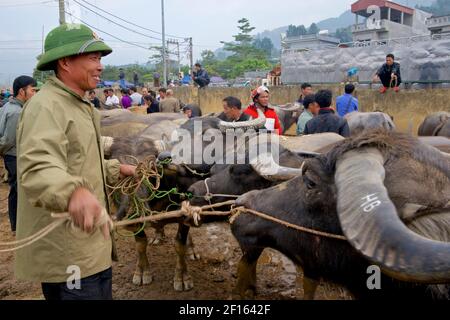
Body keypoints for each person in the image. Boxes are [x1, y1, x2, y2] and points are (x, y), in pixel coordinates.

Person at [14, 23, 136, 300]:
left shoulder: (78, 105)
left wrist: (118, 168)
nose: (100, 66)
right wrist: (73, 193)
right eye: (93, 58)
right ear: (65, 62)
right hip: (69, 251)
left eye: (100, 59)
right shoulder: (47, 106)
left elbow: (80, 161)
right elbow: (38, 167)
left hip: (91, 246)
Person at [0, 76, 37, 233]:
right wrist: (3, 151)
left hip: (10, 155)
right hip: (14, 155)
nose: (35, 94)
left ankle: (16, 224)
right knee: (18, 190)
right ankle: (17, 225)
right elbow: (8, 140)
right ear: (22, 91)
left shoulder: (7, 106)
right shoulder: (17, 113)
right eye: (33, 90)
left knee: (15, 189)